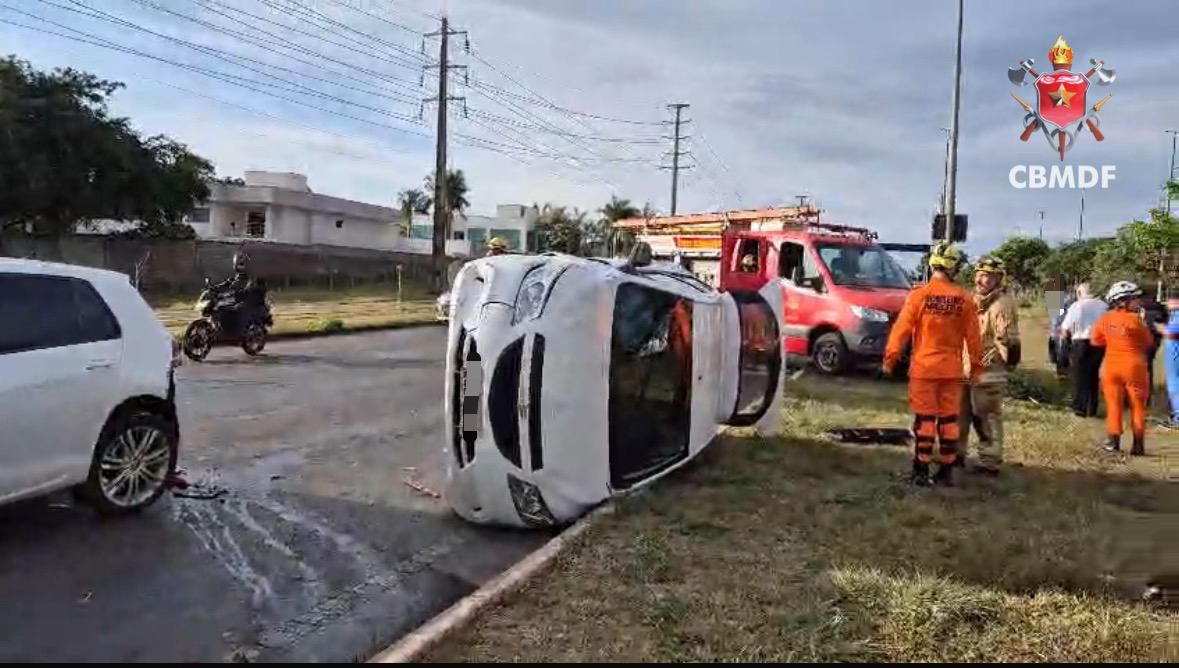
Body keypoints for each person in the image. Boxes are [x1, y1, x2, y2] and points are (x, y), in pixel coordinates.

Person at [884, 242, 983, 487]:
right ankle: (947, 470)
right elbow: (974, 338)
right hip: (952, 370)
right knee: (949, 420)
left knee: (925, 420)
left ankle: (920, 470)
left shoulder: (918, 296)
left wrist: (890, 359)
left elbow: (901, 331)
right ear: (953, 267)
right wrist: (977, 367)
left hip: (924, 369)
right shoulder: (965, 299)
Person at [958, 256, 1020, 476]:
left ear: (999, 280)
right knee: (961, 415)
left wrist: (1008, 366)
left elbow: (1010, 341)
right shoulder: (972, 301)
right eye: (983, 275)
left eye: (992, 276)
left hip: (989, 371)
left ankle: (989, 462)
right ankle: (957, 455)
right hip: (966, 368)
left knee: (986, 417)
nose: (986, 280)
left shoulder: (1001, 305)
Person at [1091, 281, 1154, 455]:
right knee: (1138, 406)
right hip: (1134, 366)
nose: (1138, 302)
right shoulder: (1136, 320)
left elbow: (1095, 340)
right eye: (1134, 298)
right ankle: (1138, 445)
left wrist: (1112, 342)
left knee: (1114, 405)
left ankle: (1113, 442)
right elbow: (1148, 342)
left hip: (1111, 366)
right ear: (1124, 301)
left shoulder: (1105, 319)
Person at [1060, 283, 1108, 418]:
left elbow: (1066, 328)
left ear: (1080, 293)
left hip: (1080, 342)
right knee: (1093, 376)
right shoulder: (1103, 305)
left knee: (1079, 376)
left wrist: (1063, 346)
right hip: (1098, 344)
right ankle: (1091, 408)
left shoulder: (1076, 306)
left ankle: (1079, 408)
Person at [1161, 297, 1179, 428]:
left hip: (1175, 355)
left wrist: (1157, 327)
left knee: (1174, 385)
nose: (1167, 303)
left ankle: (1178, 417)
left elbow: (1171, 333)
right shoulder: (1174, 315)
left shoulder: (1177, 316)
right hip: (1173, 354)